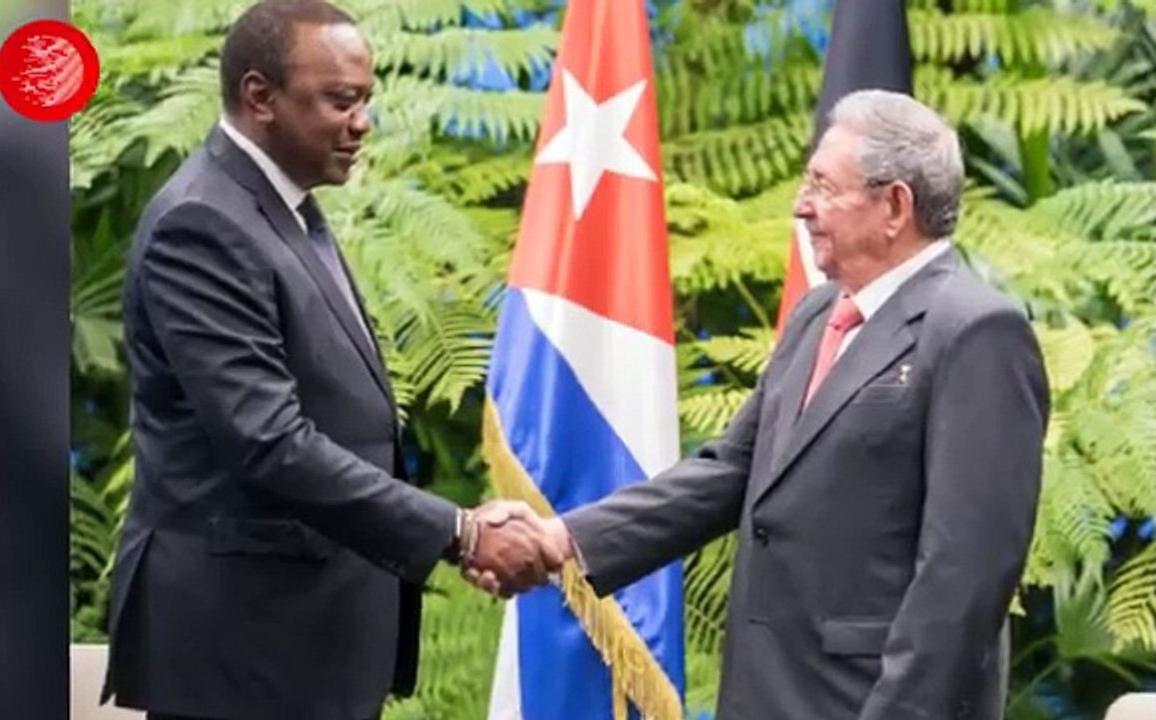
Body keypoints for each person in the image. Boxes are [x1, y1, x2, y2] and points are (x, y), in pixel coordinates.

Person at [478, 89, 1051, 719]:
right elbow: (732, 470)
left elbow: (965, 575)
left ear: (895, 205)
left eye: (823, 187)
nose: (802, 208)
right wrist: (563, 537)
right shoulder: (817, 314)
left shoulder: (975, 332)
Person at [100, 2, 560, 719]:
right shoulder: (203, 224)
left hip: (306, 645)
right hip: (243, 652)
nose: (362, 121)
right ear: (260, 97)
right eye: (340, 100)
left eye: (366, 99)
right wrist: (459, 531)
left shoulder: (284, 204)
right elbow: (270, 441)